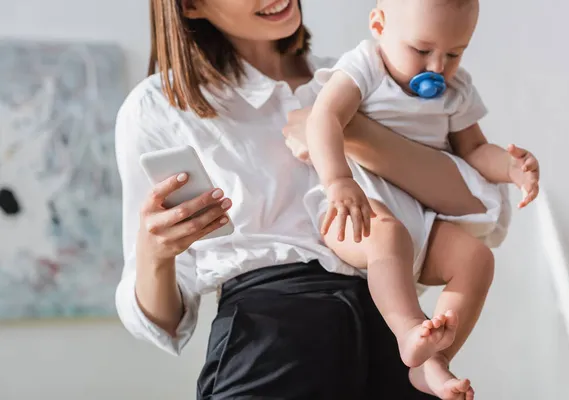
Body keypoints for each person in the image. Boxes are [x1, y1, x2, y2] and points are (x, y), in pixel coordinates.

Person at [115, 0, 503, 398]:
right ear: (192, 6)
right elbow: (163, 320)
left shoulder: (375, 72)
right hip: (271, 339)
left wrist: (349, 131)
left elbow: (483, 208)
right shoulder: (160, 107)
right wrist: (155, 252)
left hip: (394, 335)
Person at [300, 0, 540, 397]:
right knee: (388, 234)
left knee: (476, 259)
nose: (436, 68)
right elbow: (323, 117)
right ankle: (408, 329)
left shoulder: (456, 88)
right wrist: (338, 181)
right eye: (421, 50)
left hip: (421, 220)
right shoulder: (365, 66)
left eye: (454, 53)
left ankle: (435, 363)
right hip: (355, 211)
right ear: (379, 24)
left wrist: (514, 169)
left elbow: (475, 150)